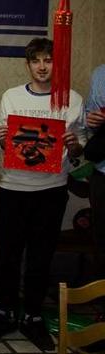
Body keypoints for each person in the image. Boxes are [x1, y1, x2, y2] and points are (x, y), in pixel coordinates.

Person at [0, 38, 85, 351]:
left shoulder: (72, 100)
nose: (42, 67)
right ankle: (5, 312)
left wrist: (74, 145)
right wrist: (2, 139)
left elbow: (80, 149)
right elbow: (3, 145)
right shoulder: (12, 97)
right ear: (27, 65)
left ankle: (33, 316)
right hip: (14, 188)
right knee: (8, 256)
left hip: (51, 190)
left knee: (41, 257)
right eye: (36, 61)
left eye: (48, 60)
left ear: (57, 64)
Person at [85, 64, 105, 292]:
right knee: (101, 238)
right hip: (102, 171)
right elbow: (88, 121)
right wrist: (91, 120)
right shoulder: (100, 74)